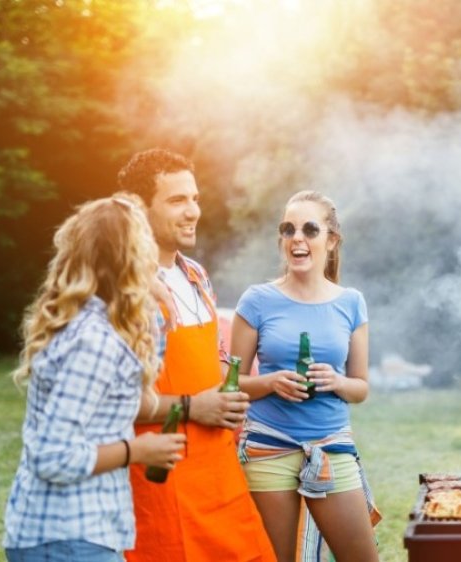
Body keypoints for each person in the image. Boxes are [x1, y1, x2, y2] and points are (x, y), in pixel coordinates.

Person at [4, 194, 186, 561]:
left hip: (62, 533)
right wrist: (137, 450)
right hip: (68, 537)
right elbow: (52, 456)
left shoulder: (87, 322)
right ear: (133, 257)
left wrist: (156, 308)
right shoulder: (94, 341)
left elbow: (137, 381)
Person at [117, 149, 275, 562]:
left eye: (195, 199)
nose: (192, 212)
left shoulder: (198, 277)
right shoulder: (123, 290)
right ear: (139, 208)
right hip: (160, 485)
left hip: (219, 476)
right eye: (176, 200)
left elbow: (213, 365)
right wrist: (193, 407)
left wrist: (250, 390)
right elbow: (109, 401)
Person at [230, 190, 380, 562]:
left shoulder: (351, 302)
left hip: (331, 447)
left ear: (330, 240)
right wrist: (270, 382)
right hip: (268, 447)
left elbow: (360, 388)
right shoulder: (257, 300)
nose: (296, 237)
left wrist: (336, 381)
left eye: (309, 229)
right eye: (288, 229)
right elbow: (227, 381)